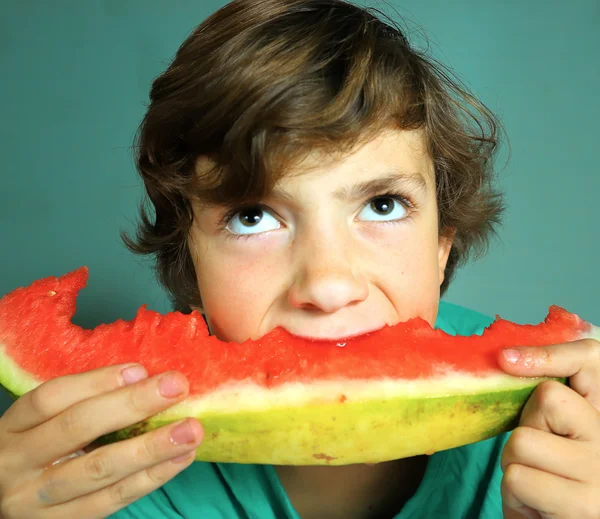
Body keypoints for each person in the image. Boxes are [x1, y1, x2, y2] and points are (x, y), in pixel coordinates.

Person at [0, 1, 598, 518]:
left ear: (442, 245)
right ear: (191, 263)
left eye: (383, 204)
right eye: (253, 217)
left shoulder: (573, 439)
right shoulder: (92, 468)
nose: (328, 284)